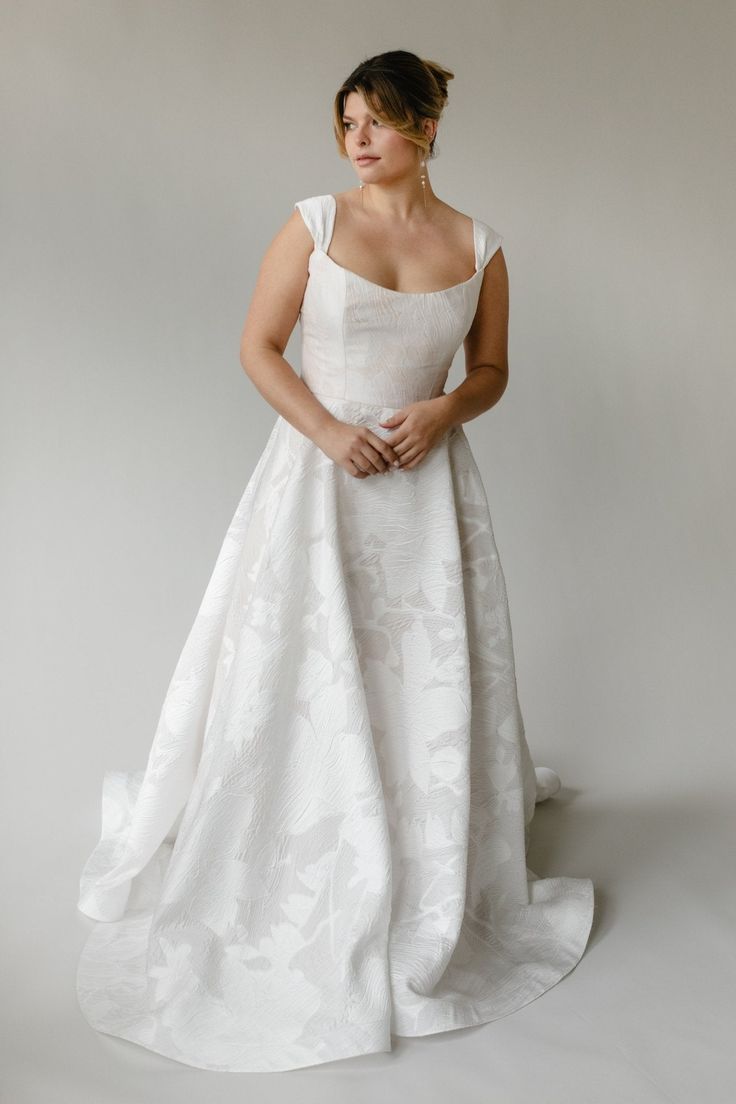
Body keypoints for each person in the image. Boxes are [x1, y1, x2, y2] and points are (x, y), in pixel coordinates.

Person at [75, 49, 594, 1073]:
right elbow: (258, 347)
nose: (359, 139)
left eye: (380, 121)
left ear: (428, 128)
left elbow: (489, 370)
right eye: (347, 122)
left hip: (426, 489)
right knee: (303, 671)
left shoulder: (479, 246)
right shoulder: (312, 224)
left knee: (418, 673)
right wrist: (324, 431)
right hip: (320, 480)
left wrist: (446, 408)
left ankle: (424, 837)